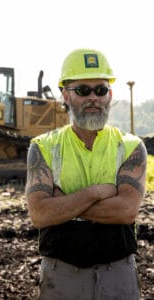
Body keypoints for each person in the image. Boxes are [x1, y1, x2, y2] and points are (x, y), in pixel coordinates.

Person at [25, 48, 147, 300]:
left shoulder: (131, 146)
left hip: (119, 272)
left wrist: (63, 203)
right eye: (83, 90)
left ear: (109, 95)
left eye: (100, 90)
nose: (93, 97)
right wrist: (96, 192)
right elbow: (39, 214)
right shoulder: (43, 147)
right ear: (65, 95)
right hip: (61, 274)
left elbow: (126, 211)